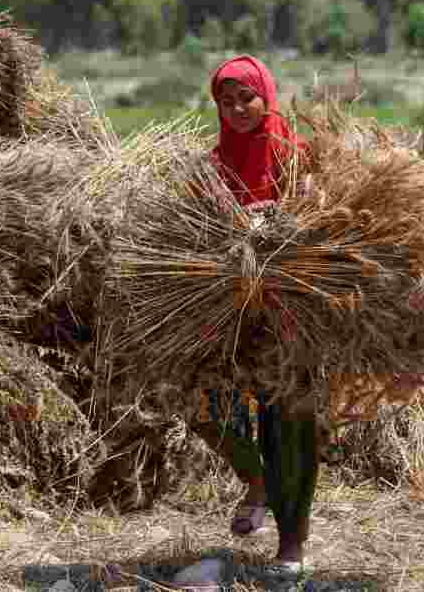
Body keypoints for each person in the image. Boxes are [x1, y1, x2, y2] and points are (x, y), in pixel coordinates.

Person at [176, 55, 320, 588]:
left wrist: (270, 225)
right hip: (228, 306)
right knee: (201, 399)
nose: (237, 110)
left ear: (267, 98)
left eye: (247, 99)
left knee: (289, 421)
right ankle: (255, 479)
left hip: (288, 308)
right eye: (226, 101)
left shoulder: (292, 151)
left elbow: (313, 213)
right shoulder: (215, 161)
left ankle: (291, 541)